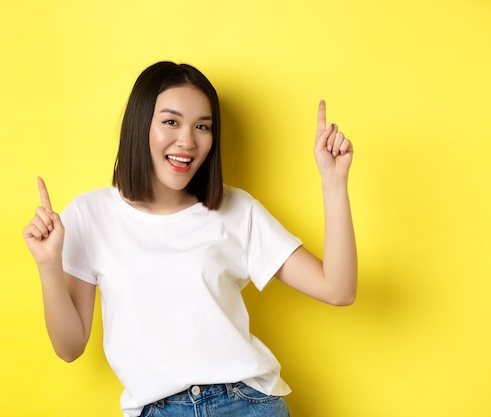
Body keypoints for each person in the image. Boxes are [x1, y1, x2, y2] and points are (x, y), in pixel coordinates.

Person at [23, 61, 357, 417]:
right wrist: (48, 264)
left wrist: (333, 182)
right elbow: (70, 347)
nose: (187, 141)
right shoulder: (91, 214)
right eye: (171, 122)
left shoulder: (236, 209)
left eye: (202, 127)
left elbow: (337, 289)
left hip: (246, 404)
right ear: (141, 126)